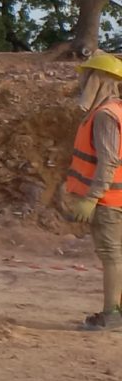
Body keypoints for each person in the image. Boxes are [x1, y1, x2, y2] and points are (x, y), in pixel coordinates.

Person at [62, 51, 122, 330]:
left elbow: (108, 161)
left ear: (99, 79)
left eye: (87, 76)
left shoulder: (105, 116)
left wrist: (91, 198)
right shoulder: (116, 112)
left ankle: (112, 314)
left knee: (112, 256)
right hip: (115, 196)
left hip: (110, 199)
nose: (82, 82)